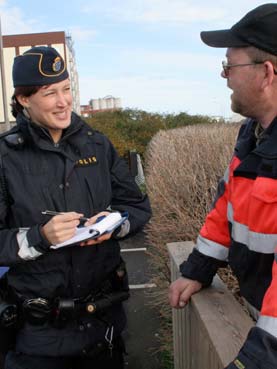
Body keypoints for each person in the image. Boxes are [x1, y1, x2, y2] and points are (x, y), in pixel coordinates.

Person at [0, 45, 151, 369]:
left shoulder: (98, 145)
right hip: (37, 342)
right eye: (50, 92)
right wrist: (40, 237)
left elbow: (136, 206)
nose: (63, 101)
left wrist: (113, 224)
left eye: (66, 89)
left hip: (103, 330)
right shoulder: (5, 158)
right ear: (24, 99)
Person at [169, 3, 277, 369]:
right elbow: (228, 210)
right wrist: (198, 268)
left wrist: (257, 359)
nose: (224, 76)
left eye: (229, 65)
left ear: (266, 73)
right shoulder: (253, 136)